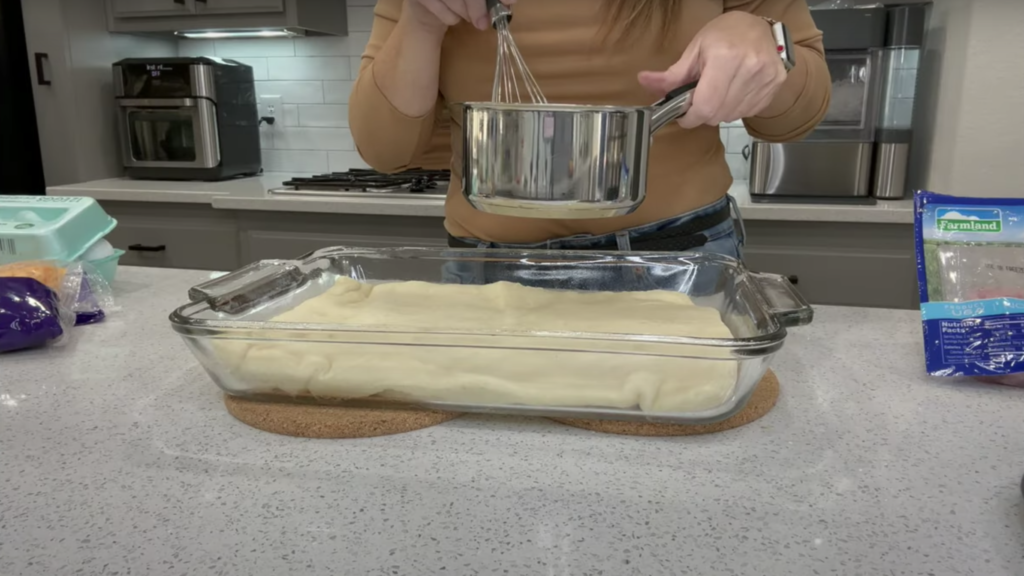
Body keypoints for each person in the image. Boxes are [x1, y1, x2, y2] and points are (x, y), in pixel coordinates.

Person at [348, 0, 831, 260]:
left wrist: (762, 38)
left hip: (678, 259)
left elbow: (791, 119)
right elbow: (385, 149)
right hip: (490, 270)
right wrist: (419, 20)